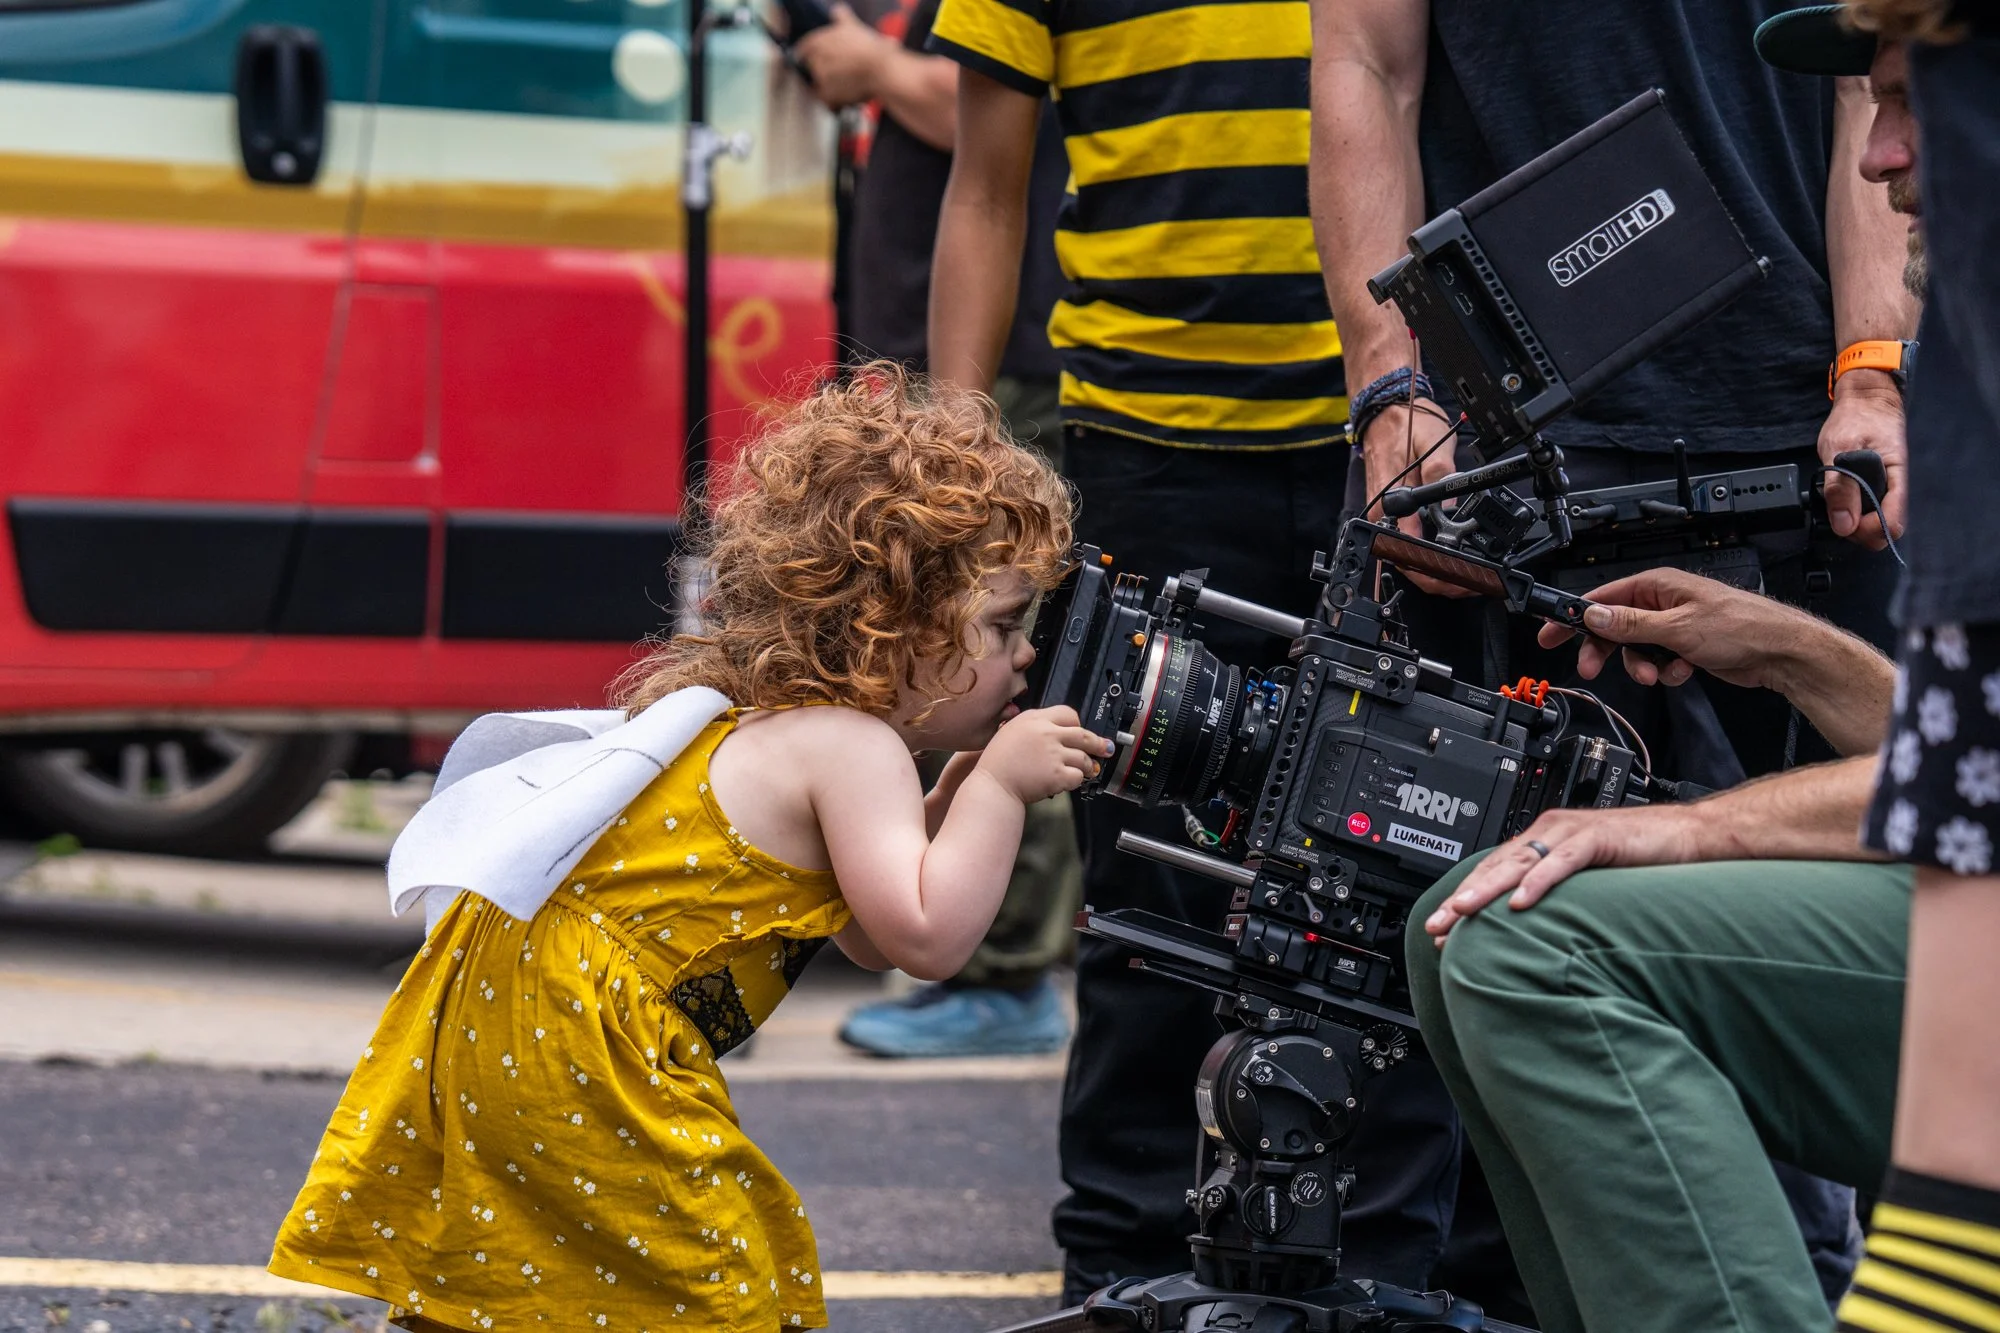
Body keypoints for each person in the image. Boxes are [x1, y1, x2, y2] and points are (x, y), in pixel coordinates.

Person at [265, 367, 1111, 1332]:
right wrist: (1002, 786)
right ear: (898, 621)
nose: (1024, 654)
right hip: (580, 1037)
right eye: (1003, 623)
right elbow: (927, 938)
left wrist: (958, 801)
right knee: (717, 1284)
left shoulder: (773, 724)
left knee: (525, 1259)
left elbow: (870, 934)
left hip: (509, 1006)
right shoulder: (854, 745)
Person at [1308, 0, 1923, 1297]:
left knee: (1536, 942)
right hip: (1506, 429)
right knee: (1470, 937)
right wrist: (1392, 384)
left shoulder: (1948, 342)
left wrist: (1873, 370)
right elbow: (1362, 56)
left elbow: (1881, 73)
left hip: (1797, 427)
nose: (1895, 154)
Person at [918, 0, 1416, 1304]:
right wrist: (961, 454)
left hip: (1392, 442)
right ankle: (1121, 1261)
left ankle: (1390, 1271)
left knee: (1401, 867)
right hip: (1153, 458)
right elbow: (984, 190)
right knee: (1154, 883)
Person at [793, 0, 1085, 1057]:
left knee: (1001, 660)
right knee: (952, 665)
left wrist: (873, 63)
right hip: (937, 378)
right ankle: (959, 922)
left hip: (1004, 379)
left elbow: (991, 133)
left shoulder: (967, 21)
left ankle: (1001, 967)